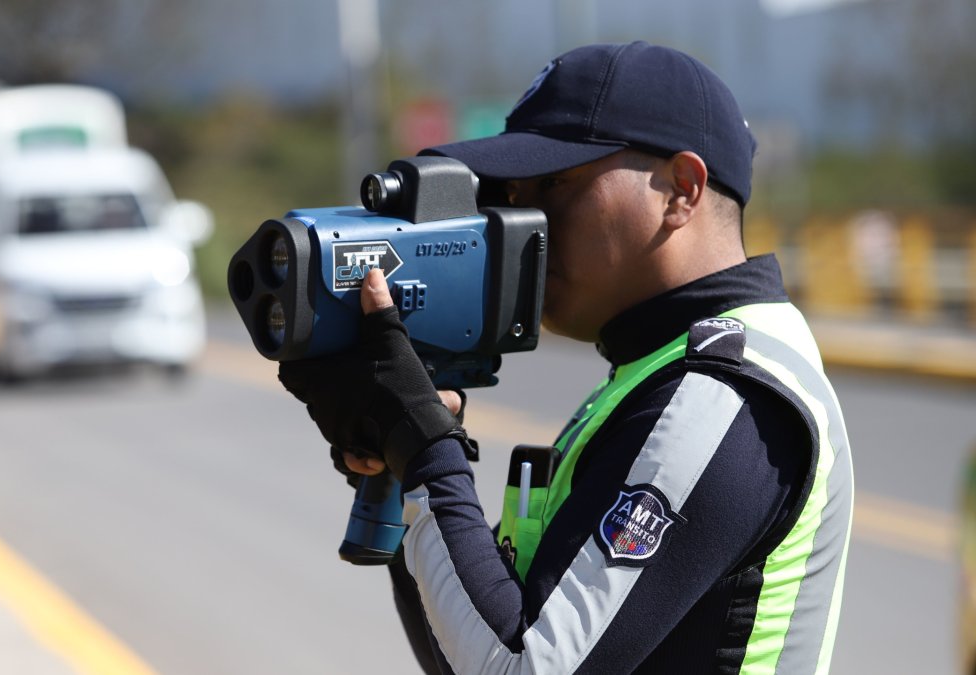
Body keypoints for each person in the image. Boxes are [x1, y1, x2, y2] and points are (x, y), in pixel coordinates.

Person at [278, 41, 853, 674]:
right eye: (515, 193)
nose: (528, 220)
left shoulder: (723, 395)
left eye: (555, 184)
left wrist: (426, 452)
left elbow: (523, 669)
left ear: (681, 190)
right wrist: (402, 458)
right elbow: (471, 658)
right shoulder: (654, 373)